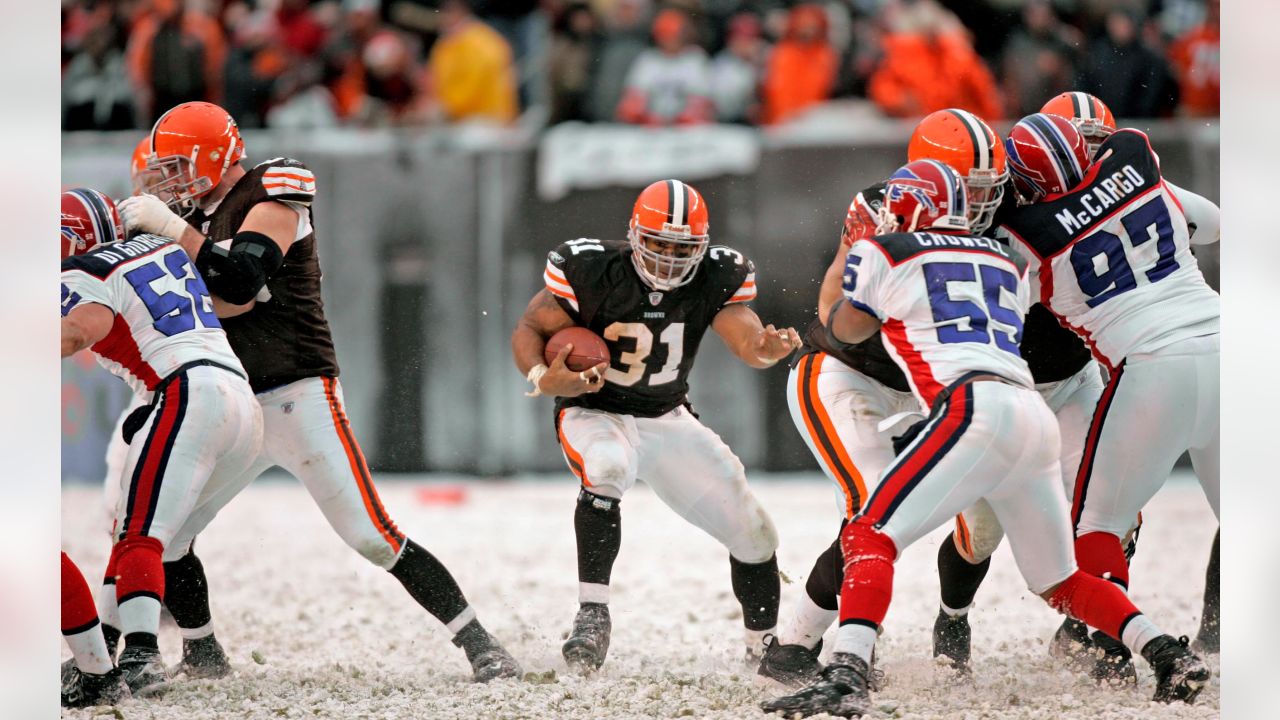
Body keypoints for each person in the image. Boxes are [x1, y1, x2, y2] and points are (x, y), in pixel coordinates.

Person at [760, 160, 1209, 718]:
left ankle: (847, 669)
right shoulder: (1003, 257)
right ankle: (1164, 652)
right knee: (1061, 580)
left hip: (971, 408)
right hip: (1031, 410)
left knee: (872, 533)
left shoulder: (888, 251)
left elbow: (843, 327)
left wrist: (870, 284)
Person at [116, 101, 521, 682]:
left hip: (298, 394)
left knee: (373, 537)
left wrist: (173, 231)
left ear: (215, 154)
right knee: (172, 534)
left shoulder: (271, 191)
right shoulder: (200, 225)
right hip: (234, 404)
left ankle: (480, 642)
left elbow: (241, 279)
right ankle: (203, 652)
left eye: (179, 167)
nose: (172, 184)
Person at [758, 108, 1014, 685]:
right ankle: (797, 648)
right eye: (968, 188)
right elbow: (835, 300)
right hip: (854, 375)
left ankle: (952, 618)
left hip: (939, 390)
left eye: (988, 189)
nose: (980, 203)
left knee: (986, 520)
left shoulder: (1002, 217)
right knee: (874, 512)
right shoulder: (885, 210)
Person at [511, 179, 802, 671]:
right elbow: (530, 328)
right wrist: (544, 375)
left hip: (667, 416)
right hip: (594, 410)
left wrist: (763, 349)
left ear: (703, 247)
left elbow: (745, 338)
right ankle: (592, 612)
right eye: (660, 244)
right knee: (605, 466)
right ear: (634, 236)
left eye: (682, 247)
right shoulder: (591, 267)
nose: (669, 257)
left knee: (755, 534)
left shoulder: (717, 274)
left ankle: (764, 647)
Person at [997, 113, 1220, 680]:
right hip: (1227, 339)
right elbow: (1213, 224)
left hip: (1152, 369)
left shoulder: (1027, 231)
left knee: (1097, 524)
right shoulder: (1133, 156)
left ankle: (1107, 643)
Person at [61, 187, 265, 695]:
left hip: (186, 392)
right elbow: (242, 298)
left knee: (138, 537)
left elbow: (79, 331)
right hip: (242, 400)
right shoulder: (164, 249)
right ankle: (116, 647)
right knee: (156, 539)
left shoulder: (82, 272)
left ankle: (142, 657)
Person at [615, 9, 714, 125]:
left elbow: (702, 102)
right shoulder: (648, 59)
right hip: (651, 126)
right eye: (665, 35)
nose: (670, 40)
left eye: (674, 35)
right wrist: (646, 117)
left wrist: (680, 120)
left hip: (687, 128)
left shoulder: (695, 59)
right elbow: (633, 100)